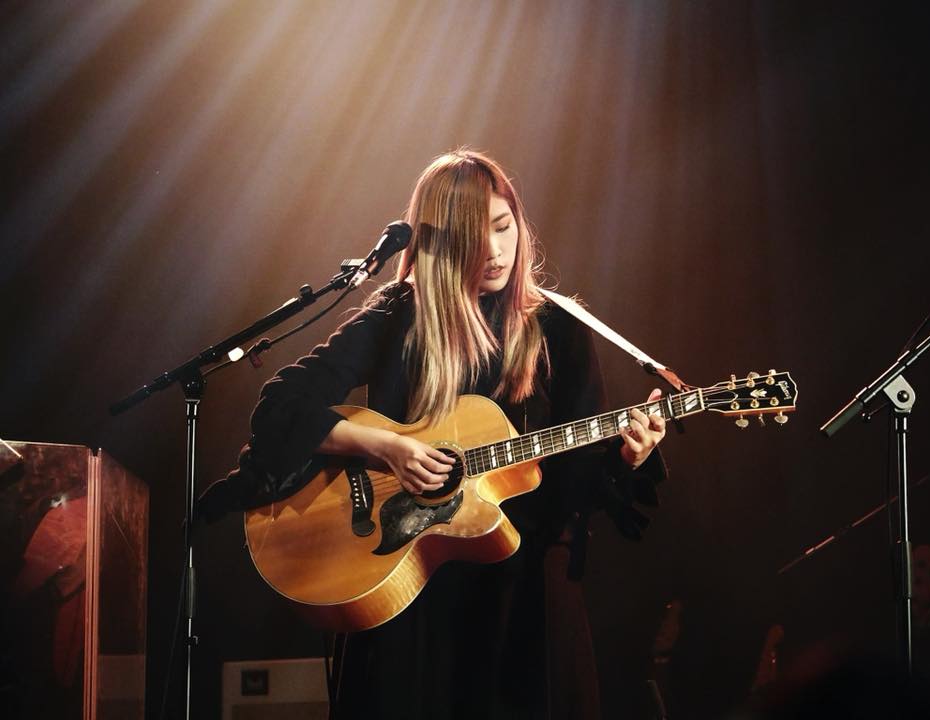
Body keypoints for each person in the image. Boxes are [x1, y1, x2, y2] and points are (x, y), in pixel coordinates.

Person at [201, 149, 668, 719]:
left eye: (504, 226)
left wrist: (628, 457)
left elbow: (574, 484)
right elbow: (281, 406)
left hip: (522, 604)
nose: (495, 250)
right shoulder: (398, 315)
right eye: (474, 236)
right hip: (412, 587)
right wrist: (388, 447)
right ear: (440, 242)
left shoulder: (560, 326)